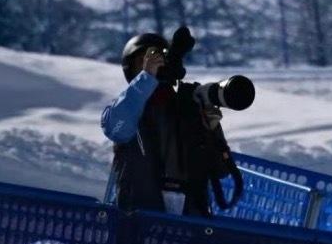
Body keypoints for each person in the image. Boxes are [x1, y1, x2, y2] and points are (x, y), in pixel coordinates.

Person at [101, 31, 239, 216]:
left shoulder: (188, 107)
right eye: (144, 61)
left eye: (159, 59)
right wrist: (147, 78)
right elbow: (115, 128)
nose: (153, 66)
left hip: (189, 223)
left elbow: (219, 170)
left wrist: (212, 131)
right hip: (139, 220)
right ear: (130, 69)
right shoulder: (130, 109)